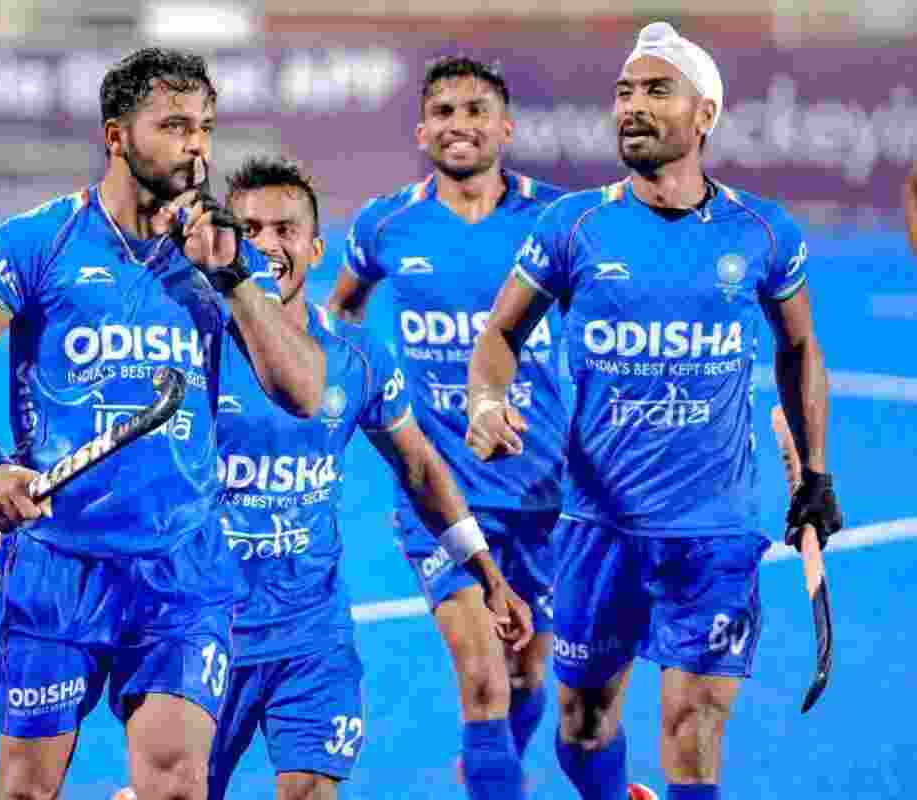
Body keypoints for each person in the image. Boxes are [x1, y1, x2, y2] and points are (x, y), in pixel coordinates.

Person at [0, 48, 326, 800]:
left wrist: (231, 278)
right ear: (116, 136)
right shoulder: (37, 241)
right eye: (173, 125)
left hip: (181, 569)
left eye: (204, 126)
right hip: (55, 566)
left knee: (175, 785)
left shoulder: (222, 251)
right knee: (25, 791)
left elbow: (303, 391)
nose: (196, 145)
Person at [465, 22, 842, 800]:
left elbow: (800, 348)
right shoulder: (572, 225)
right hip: (598, 525)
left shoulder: (763, 231)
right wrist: (486, 398)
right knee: (583, 723)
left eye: (656, 90)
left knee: (694, 722)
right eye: (624, 92)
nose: (632, 106)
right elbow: (500, 331)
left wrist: (816, 473)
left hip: (715, 528)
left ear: (705, 115)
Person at [205, 155, 533, 800]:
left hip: (311, 633)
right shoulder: (190, 342)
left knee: (310, 790)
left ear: (316, 247)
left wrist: (487, 571)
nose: (268, 245)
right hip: (201, 631)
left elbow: (418, 466)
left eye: (284, 229)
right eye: (250, 230)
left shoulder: (356, 354)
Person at [325, 55, 567, 800]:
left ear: (505, 127)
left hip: (547, 489)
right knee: (482, 680)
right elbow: (340, 315)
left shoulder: (558, 221)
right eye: (444, 112)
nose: (458, 125)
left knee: (528, 672)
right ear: (422, 128)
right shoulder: (386, 224)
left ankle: (493, 771)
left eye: (474, 111)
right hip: (439, 491)